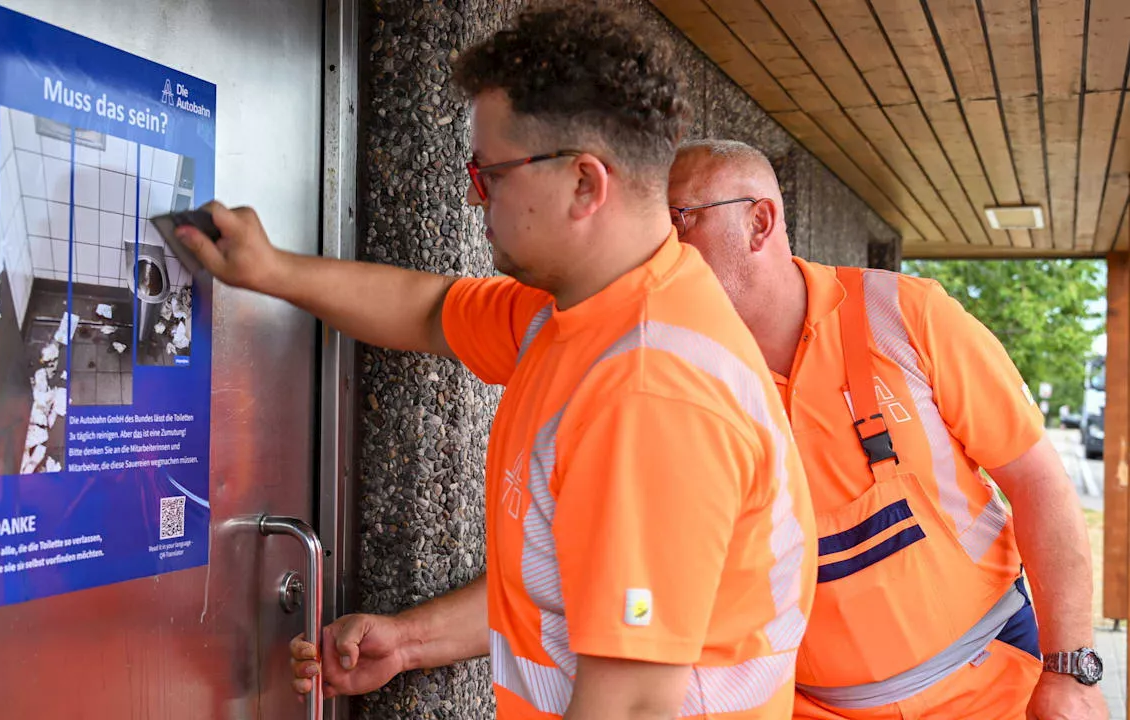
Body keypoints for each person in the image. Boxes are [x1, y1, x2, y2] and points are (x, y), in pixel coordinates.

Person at [179, 7, 816, 718]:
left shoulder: (648, 391)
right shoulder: (588, 310)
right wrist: (267, 271)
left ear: (584, 184)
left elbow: (634, 703)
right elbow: (428, 310)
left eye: (491, 175)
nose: (475, 198)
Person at [667, 139, 1106, 720]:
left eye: (679, 219)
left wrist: (1070, 670)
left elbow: (1037, 482)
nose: (658, 249)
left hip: (995, 686)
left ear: (759, 221)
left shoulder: (906, 314)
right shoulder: (678, 371)